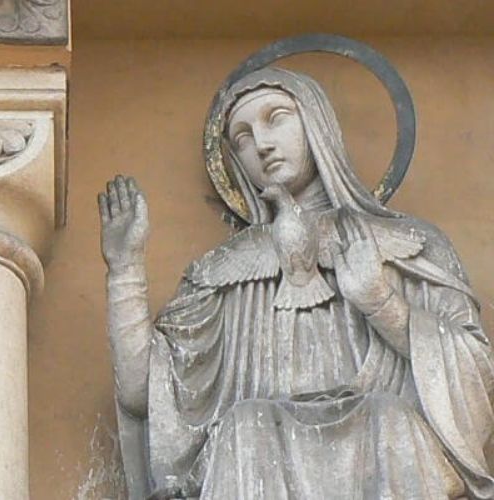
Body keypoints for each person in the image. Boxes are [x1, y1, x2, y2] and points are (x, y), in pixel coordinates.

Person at [102, 67, 494, 499]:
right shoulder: (220, 272)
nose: (263, 144)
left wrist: (381, 303)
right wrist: (125, 270)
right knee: (243, 427)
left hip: (386, 442)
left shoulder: (410, 245)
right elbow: (149, 394)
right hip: (257, 450)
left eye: (277, 117)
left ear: (317, 123)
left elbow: (475, 372)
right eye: (243, 139)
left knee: (391, 420)